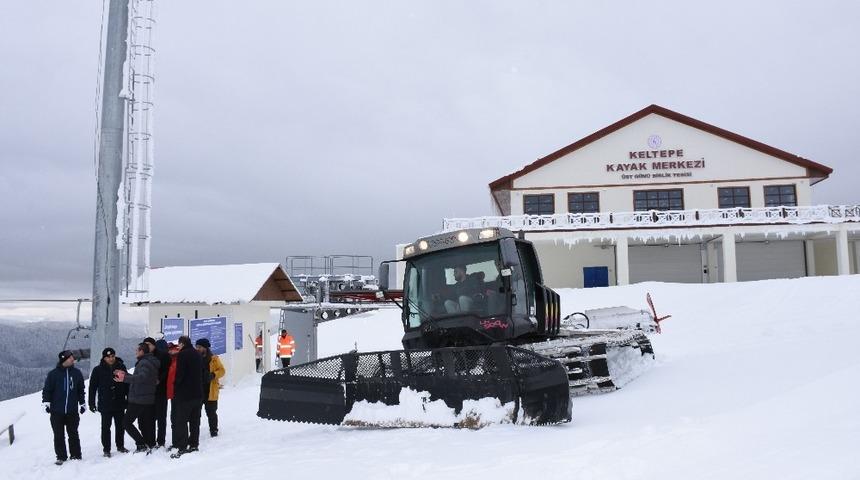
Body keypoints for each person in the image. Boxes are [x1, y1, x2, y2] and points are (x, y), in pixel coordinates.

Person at [42, 350, 86, 465]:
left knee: (73, 433)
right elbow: (47, 390)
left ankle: (76, 455)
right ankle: (61, 456)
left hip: (72, 410)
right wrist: (46, 402)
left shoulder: (77, 373)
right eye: (70, 358)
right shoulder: (53, 374)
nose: (72, 359)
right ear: (64, 359)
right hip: (57, 411)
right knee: (58, 435)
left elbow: (80, 390)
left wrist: (82, 403)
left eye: (72, 357)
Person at [114, 342, 160, 453]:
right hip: (146, 397)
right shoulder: (149, 362)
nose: (135, 352)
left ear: (142, 351)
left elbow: (141, 378)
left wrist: (124, 378)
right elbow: (141, 378)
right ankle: (149, 443)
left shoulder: (144, 363)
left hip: (139, 398)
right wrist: (125, 374)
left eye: (137, 350)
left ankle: (141, 443)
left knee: (126, 422)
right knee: (146, 423)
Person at [88, 347, 129, 457]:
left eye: (112, 356)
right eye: (108, 357)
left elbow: (127, 384)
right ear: (104, 358)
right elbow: (92, 387)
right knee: (106, 427)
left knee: (120, 426)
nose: (111, 359)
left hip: (119, 402)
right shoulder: (98, 370)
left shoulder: (121, 367)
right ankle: (106, 449)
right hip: (105, 403)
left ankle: (120, 445)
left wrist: (128, 399)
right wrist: (91, 403)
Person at [171, 335, 203, 457]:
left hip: (185, 394)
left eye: (179, 344)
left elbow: (180, 374)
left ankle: (182, 446)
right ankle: (194, 444)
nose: (178, 346)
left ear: (182, 344)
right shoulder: (197, 354)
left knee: (182, 421)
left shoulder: (183, 355)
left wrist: (176, 387)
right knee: (195, 421)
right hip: (198, 393)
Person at [195, 338, 226, 437]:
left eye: (199, 347)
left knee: (211, 412)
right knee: (196, 413)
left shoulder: (214, 359)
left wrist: (213, 375)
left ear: (205, 348)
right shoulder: (195, 358)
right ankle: (195, 430)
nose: (197, 349)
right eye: (197, 347)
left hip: (210, 390)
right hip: (199, 390)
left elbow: (222, 371)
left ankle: (214, 430)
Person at [144, 336, 170, 448]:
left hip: (161, 390)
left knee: (161, 418)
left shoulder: (163, 355)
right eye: (145, 345)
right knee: (150, 417)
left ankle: (161, 441)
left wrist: (159, 379)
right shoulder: (144, 357)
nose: (147, 347)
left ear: (154, 345)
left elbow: (167, 370)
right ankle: (151, 441)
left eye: (149, 344)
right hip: (149, 392)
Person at [165, 342, 181, 450]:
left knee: (177, 419)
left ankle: (179, 443)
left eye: (172, 349)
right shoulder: (171, 361)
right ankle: (176, 442)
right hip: (173, 394)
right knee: (174, 419)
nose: (170, 351)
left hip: (178, 394)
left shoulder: (178, 361)